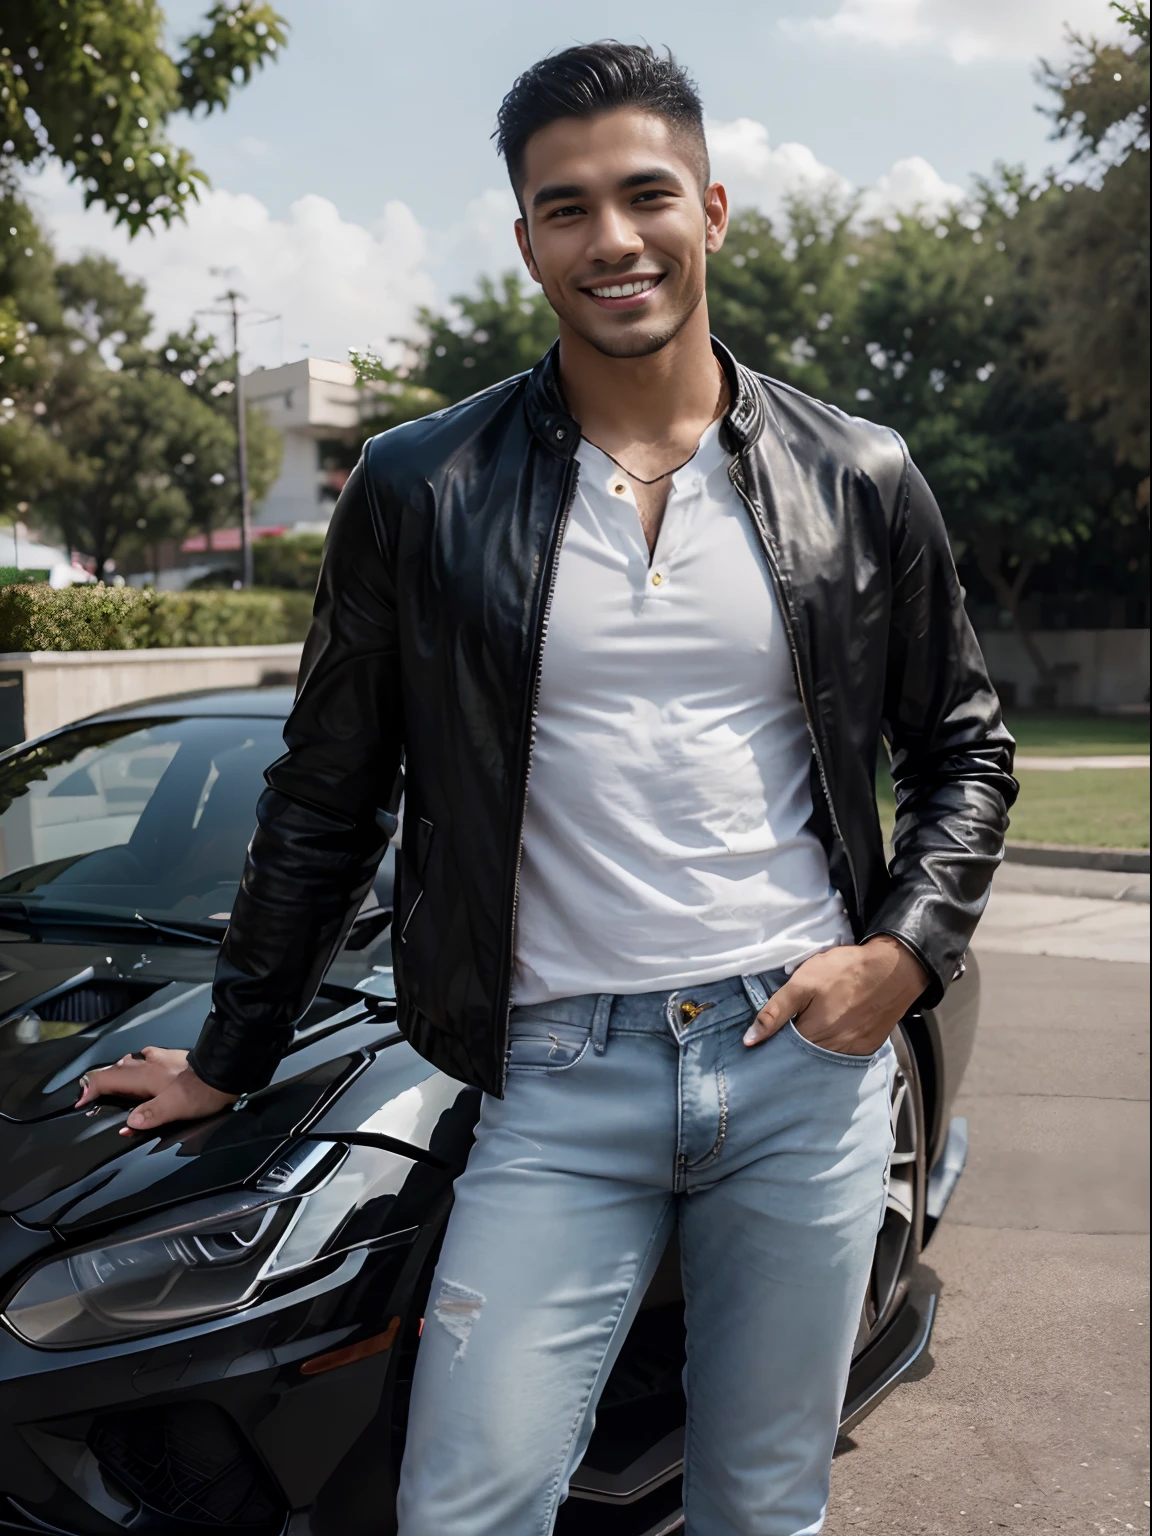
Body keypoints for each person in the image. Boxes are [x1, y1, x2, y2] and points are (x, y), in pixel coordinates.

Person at [77, 42, 1017, 1536]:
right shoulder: (417, 488)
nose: (613, 238)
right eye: (565, 207)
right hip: (557, 1079)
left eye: (646, 195)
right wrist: (230, 1050)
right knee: (468, 1503)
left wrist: (901, 956)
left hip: (799, 1068)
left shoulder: (860, 474)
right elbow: (326, 793)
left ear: (712, 210)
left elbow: (964, 746)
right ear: (526, 242)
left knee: (765, 1499)